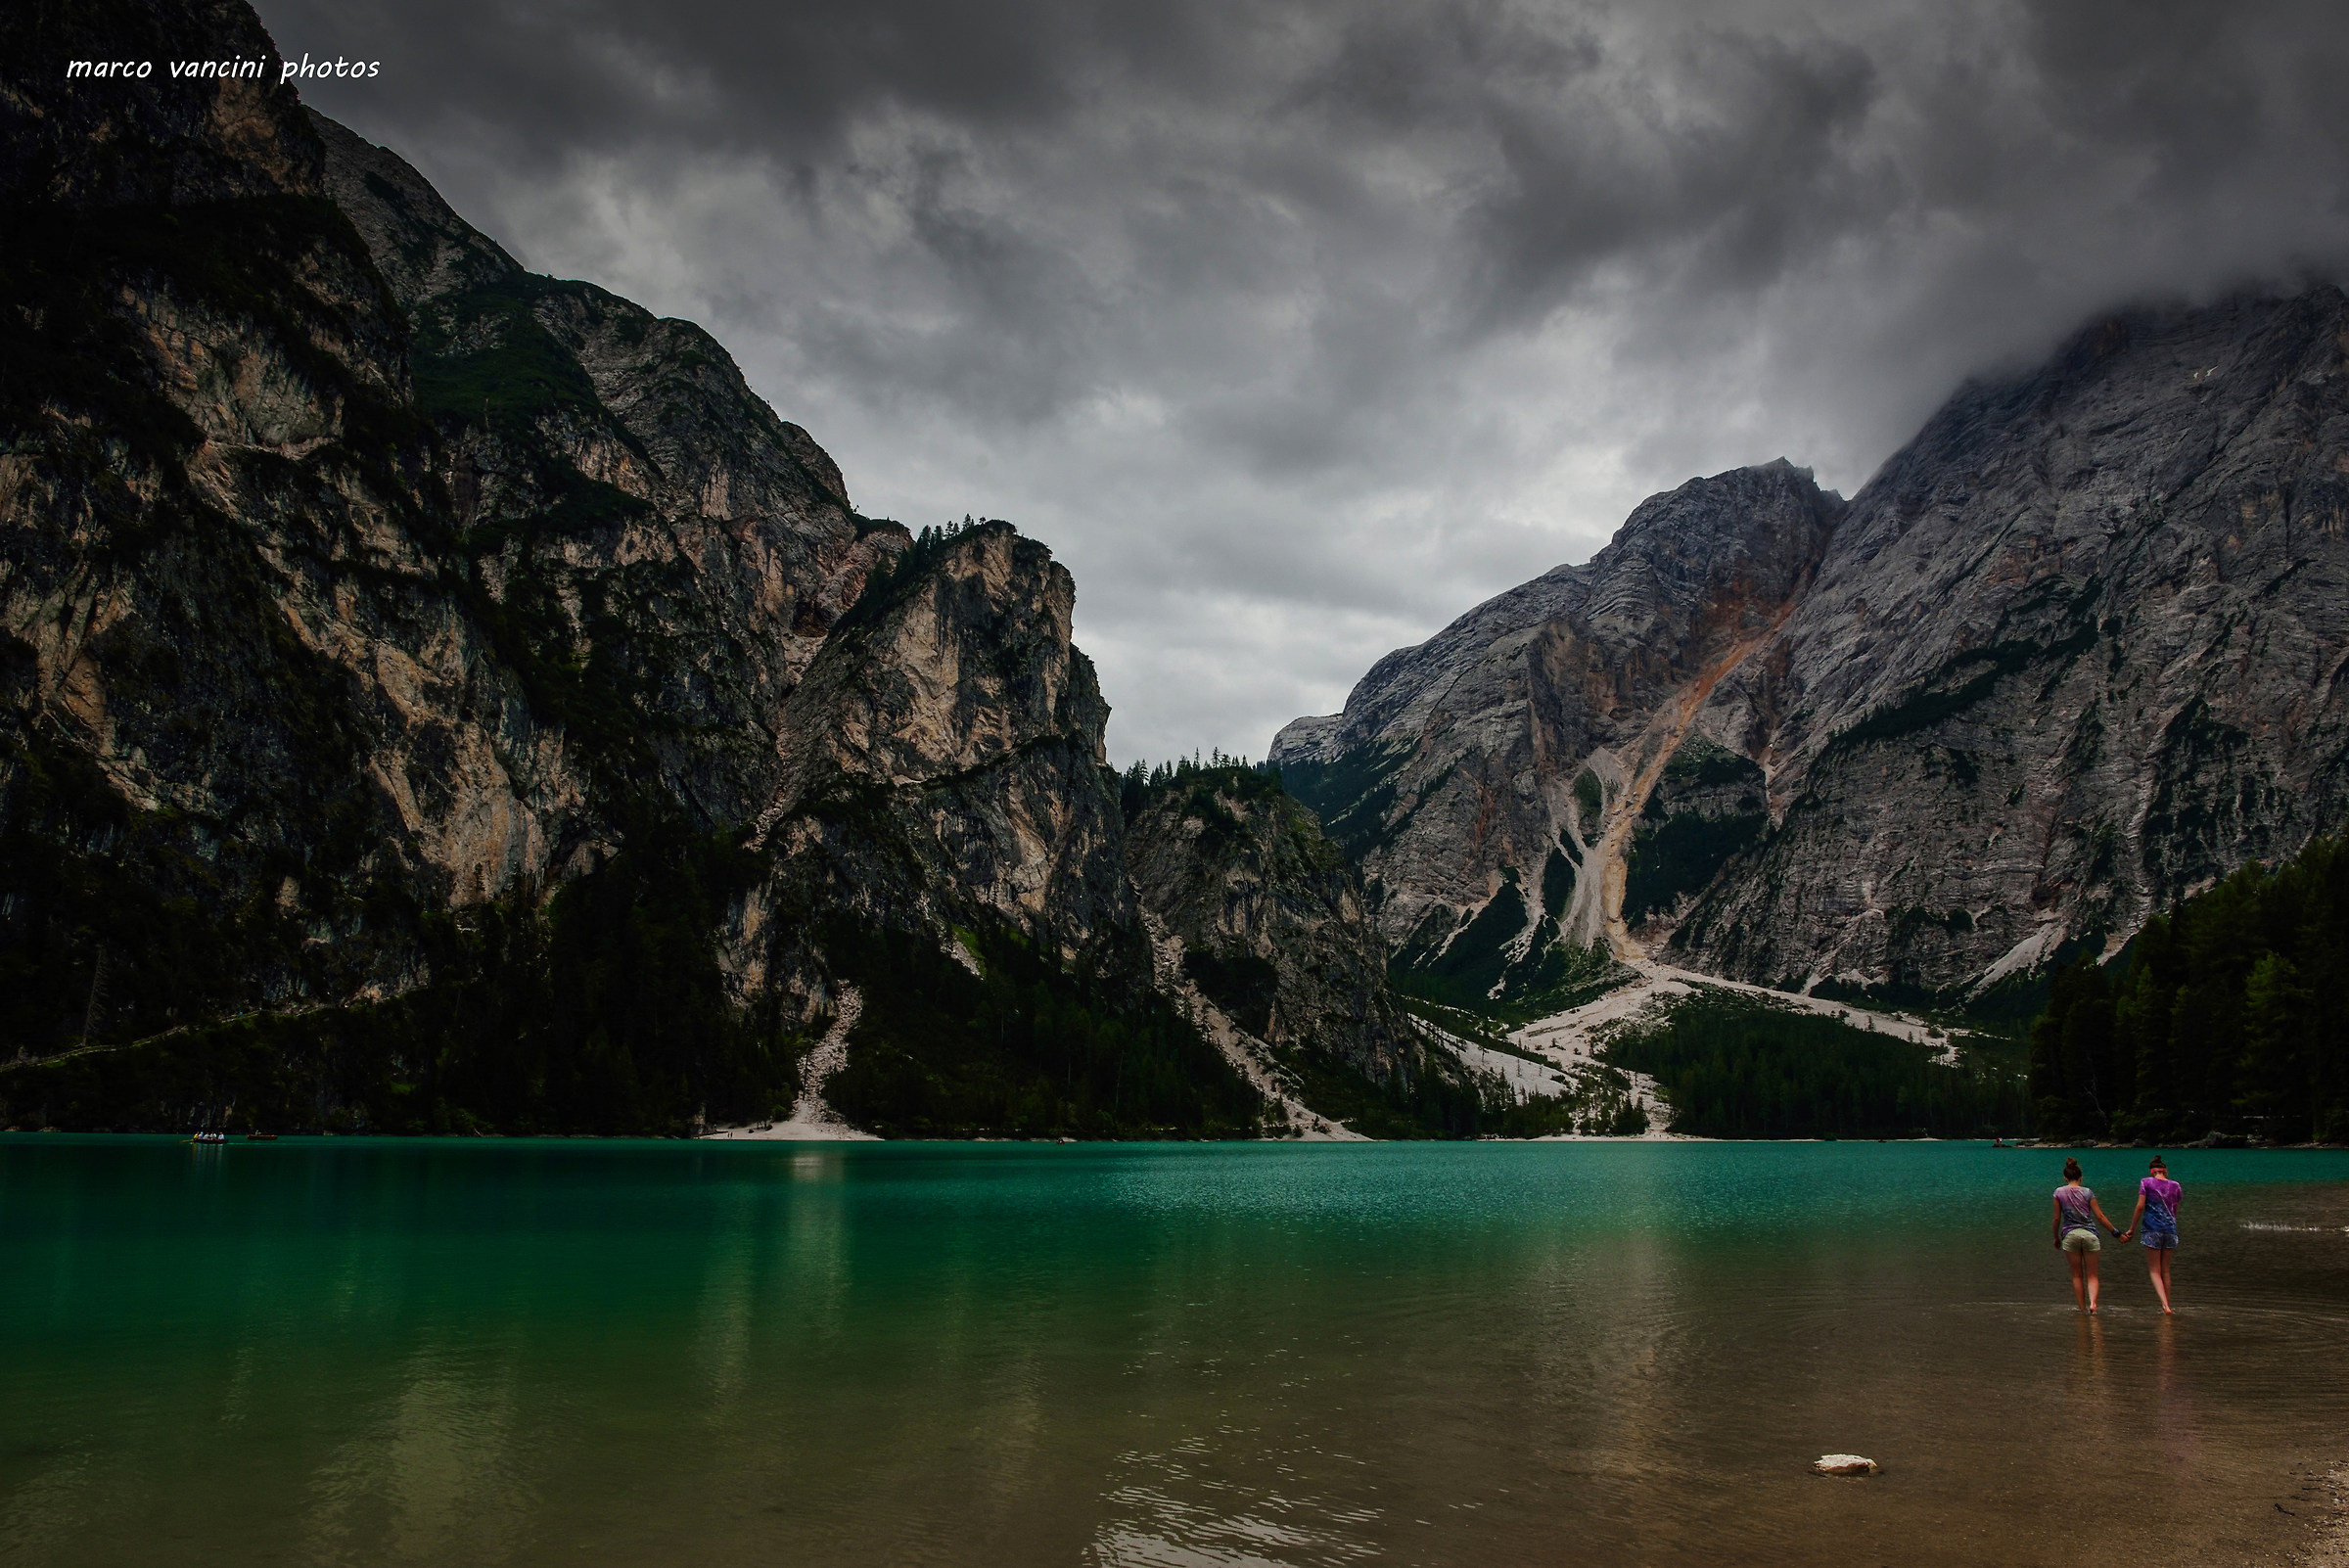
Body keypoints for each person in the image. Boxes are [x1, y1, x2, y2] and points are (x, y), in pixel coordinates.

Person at [2050, 1157, 2123, 1313]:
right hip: (2090, 1235)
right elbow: (2100, 1216)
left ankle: (2082, 1309)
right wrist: (2116, 1233)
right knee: (2093, 1276)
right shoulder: (2088, 1192)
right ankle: (2093, 1304)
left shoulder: (2058, 1192)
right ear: (2081, 1177)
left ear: (2065, 1178)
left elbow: (2056, 1218)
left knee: (2077, 1276)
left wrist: (2056, 1237)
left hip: (2070, 1235)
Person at [2119, 1156, 2184, 1313]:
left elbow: (2140, 1207)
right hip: (2171, 1230)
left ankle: (2165, 1305)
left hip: (2152, 1229)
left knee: (2155, 1271)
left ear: (2151, 1171)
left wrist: (2132, 1228)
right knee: (2166, 1270)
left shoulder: (2146, 1182)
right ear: (2165, 1171)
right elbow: (2174, 1210)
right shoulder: (2176, 1185)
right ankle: (2168, 1304)